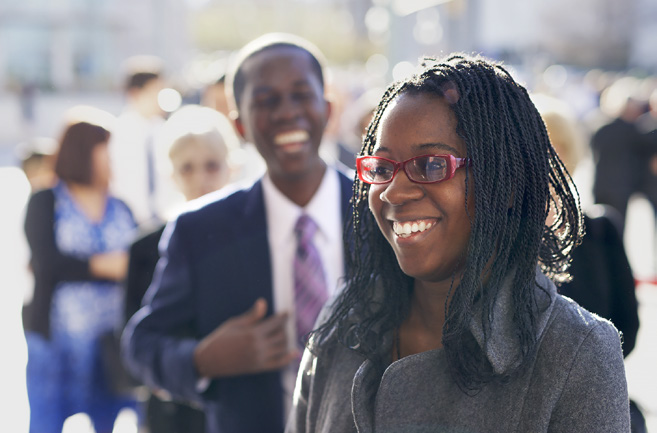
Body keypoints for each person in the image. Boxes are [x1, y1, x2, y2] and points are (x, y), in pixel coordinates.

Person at [287, 54, 630, 432]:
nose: (393, 192)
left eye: (432, 165)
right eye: (382, 169)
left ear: (508, 184)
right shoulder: (345, 319)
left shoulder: (575, 351)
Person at [122, 33, 353, 433]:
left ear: (327, 109)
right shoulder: (200, 230)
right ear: (239, 125)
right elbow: (143, 344)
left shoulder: (381, 210)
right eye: (266, 101)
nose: (286, 112)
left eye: (301, 95)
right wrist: (203, 359)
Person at [123, 105, 240, 433]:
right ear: (170, 174)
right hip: (171, 410)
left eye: (211, 166)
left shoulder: (255, 239)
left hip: (236, 405)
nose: (201, 179)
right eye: (187, 168)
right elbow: (132, 334)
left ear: (231, 168)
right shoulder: (145, 246)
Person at [534, 93, 645, 432]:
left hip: (591, 397)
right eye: (538, 149)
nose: (549, 160)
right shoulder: (495, 240)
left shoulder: (600, 230)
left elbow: (628, 325)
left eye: (559, 148)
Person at [23, 108, 137, 433]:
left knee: (107, 420)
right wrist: (103, 266)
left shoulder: (121, 206)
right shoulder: (47, 201)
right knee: (48, 421)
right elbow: (46, 263)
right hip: (55, 339)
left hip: (109, 339)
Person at [109, 55, 173, 224]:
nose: (161, 99)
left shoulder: (166, 131)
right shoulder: (115, 134)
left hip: (164, 220)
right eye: (156, 92)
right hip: (129, 222)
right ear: (135, 93)